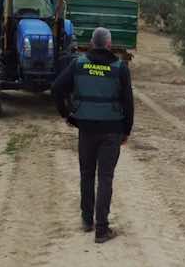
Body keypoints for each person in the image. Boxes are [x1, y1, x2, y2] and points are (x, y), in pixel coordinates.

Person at [51, 27, 134, 244]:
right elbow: (128, 103)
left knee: (87, 174)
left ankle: (87, 220)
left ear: (90, 43)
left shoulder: (78, 64)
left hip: (86, 128)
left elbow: (56, 88)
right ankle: (102, 229)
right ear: (109, 44)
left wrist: (67, 115)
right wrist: (126, 131)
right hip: (112, 130)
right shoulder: (120, 68)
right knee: (105, 177)